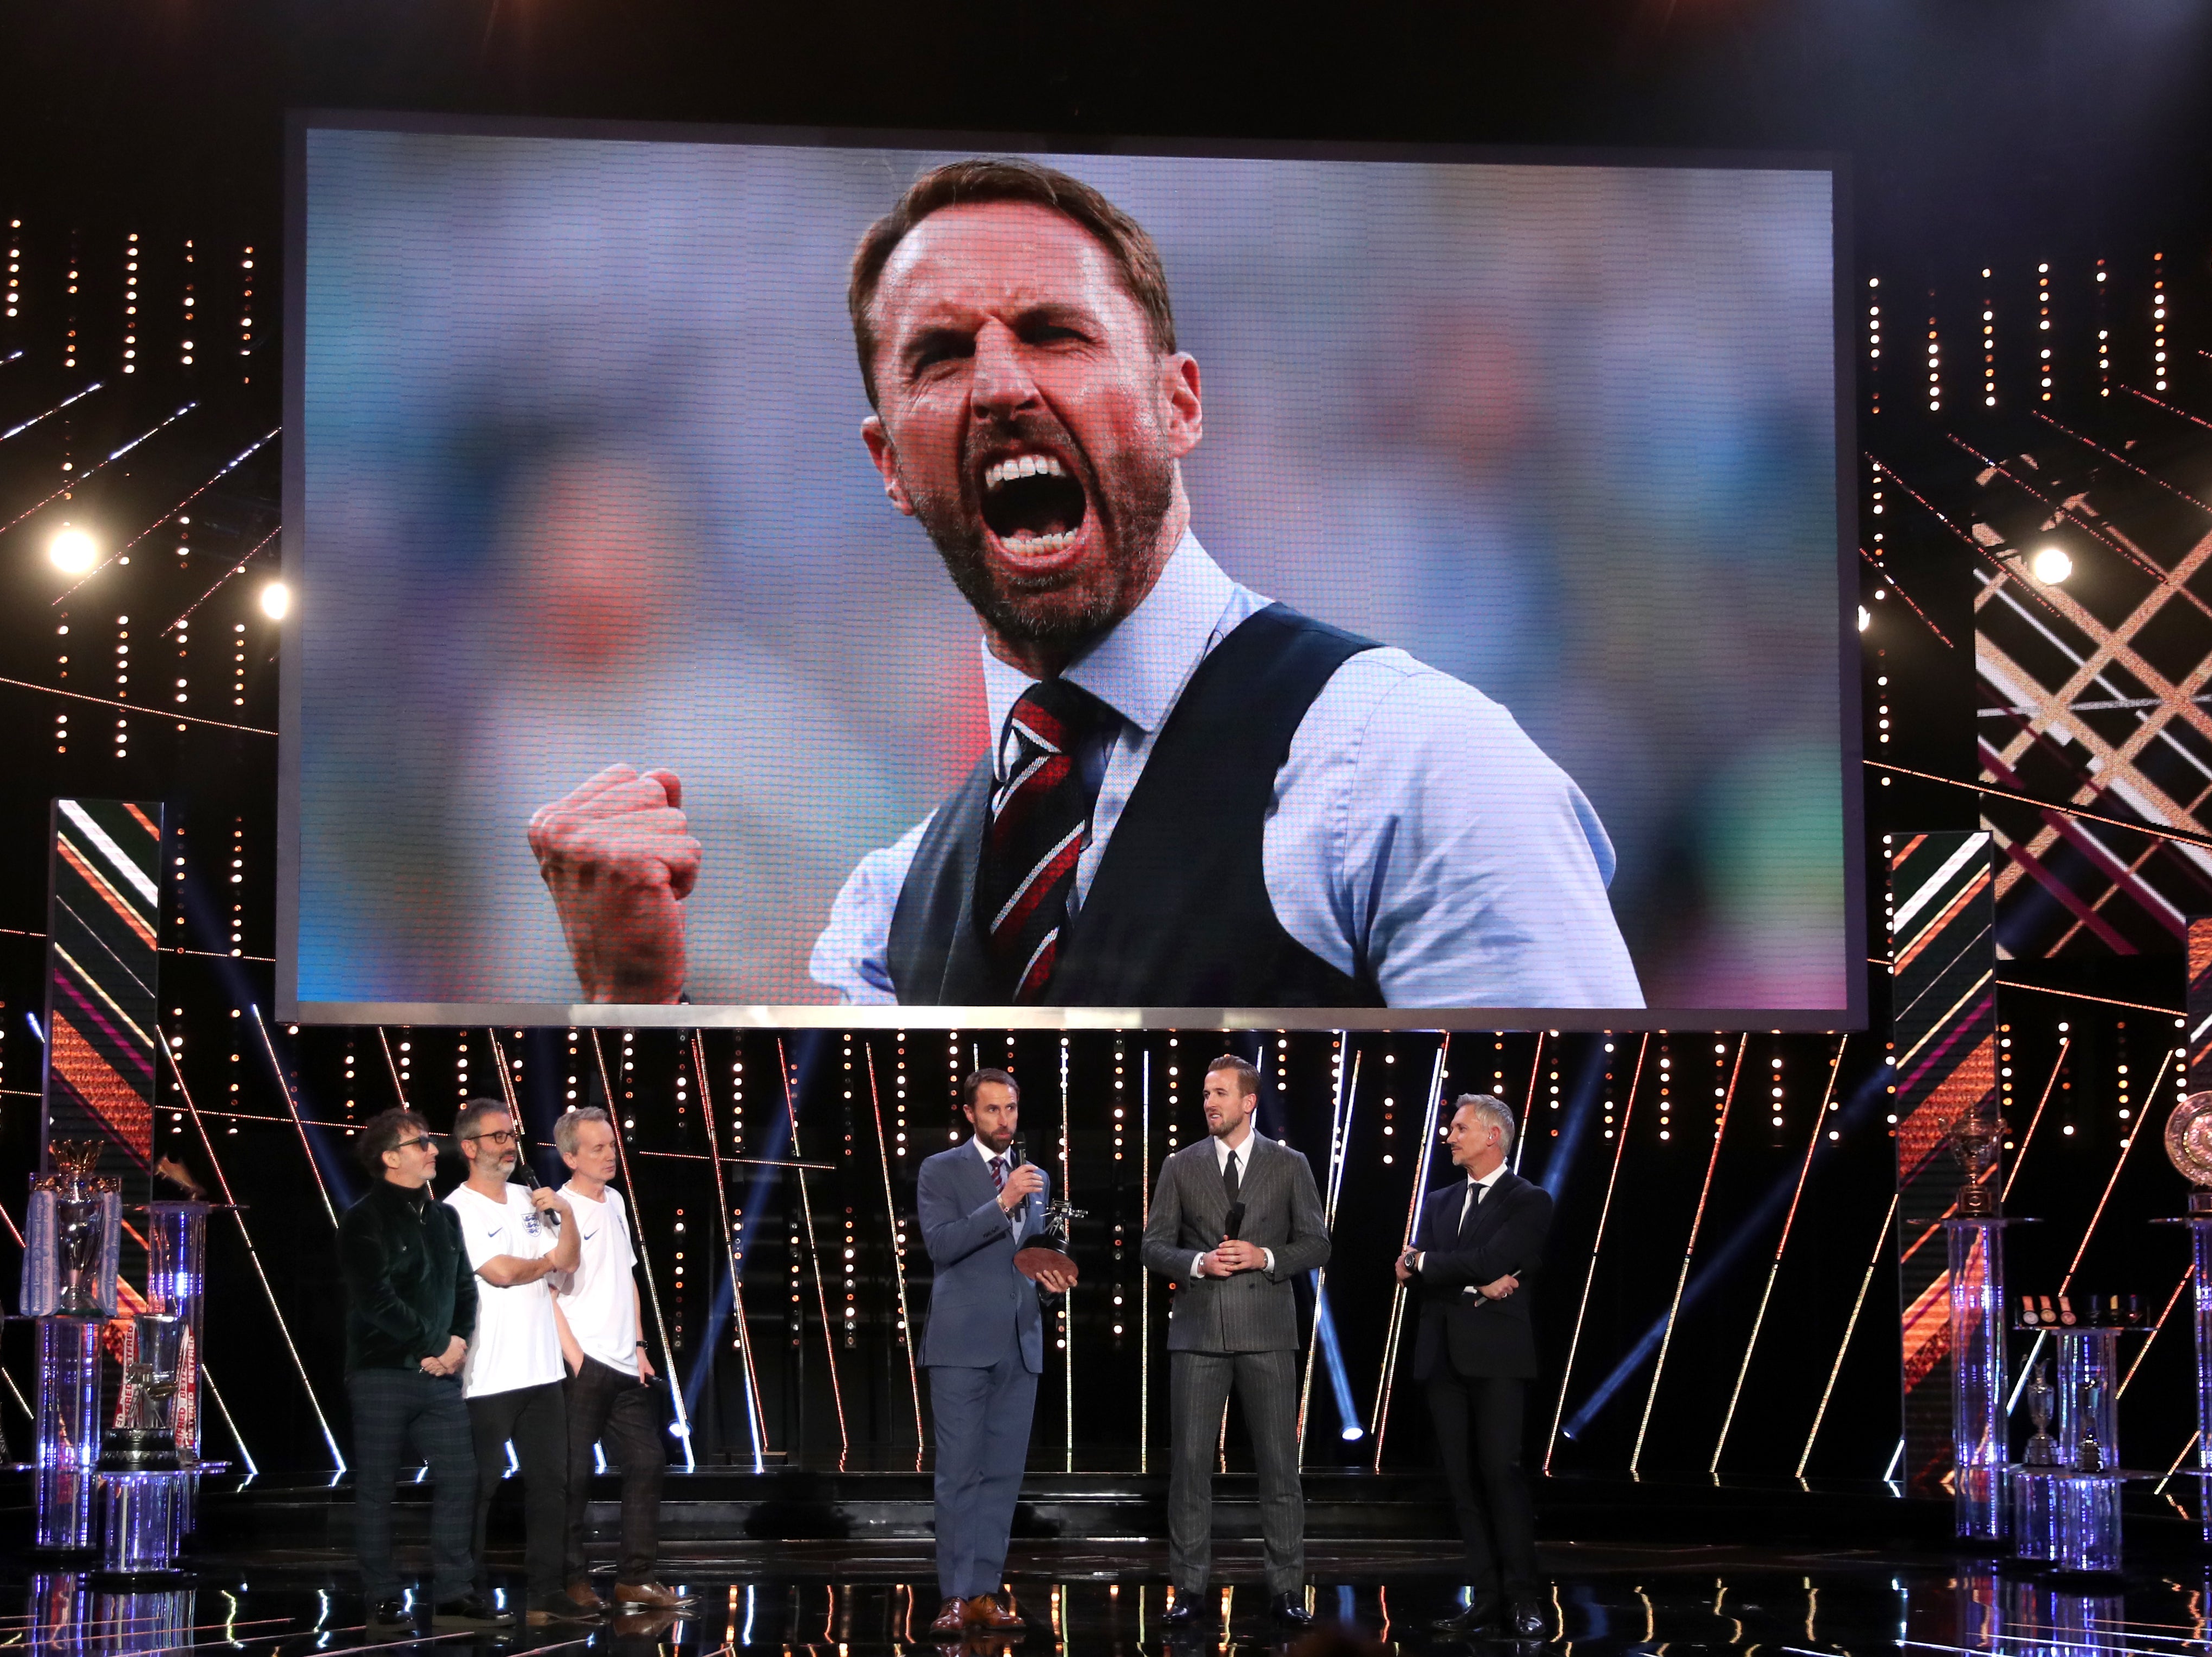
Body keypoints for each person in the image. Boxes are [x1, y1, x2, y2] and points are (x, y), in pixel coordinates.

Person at [525, 156, 1642, 1012]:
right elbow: (810, 1280)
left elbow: (1568, 1199)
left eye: (1058, 334)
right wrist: (634, 1000)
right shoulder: (886, 913)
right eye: (942, 355)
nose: (1003, 383)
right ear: (890, 467)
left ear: (1180, 406)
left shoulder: (1413, 770)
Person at [1141, 1055, 1328, 1627]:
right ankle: (1190, 1589)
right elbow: (1153, 1244)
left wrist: (1266, 1256)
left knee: (1278, 1467)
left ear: (1250, 1101)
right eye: (1205, 1092)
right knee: (1191, 1467)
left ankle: (1286, 1589)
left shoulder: (1289, 1164)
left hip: (1268, 1333)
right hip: (1197, 1334)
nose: (1209, 1102)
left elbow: (1317, 1243)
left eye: (1220, 1092)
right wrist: (1197, 1260)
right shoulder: (1181, 1165)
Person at [916, 1069, 1076, 1635]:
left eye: (1011, 1108)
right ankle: (954, 1595)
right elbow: (940, 1244)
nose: (1004, 1120)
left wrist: (1053, 1272)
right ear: (970, 1113)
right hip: (961, 1343)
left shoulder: (1041, 1177)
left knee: (1003, 1475)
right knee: (959, 1472)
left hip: (1021, 1339)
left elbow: (1047, 1244)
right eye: (992, 1110)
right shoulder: (941, 1169)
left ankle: (985, 1590)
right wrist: (1001, 1201)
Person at [338, 1108, 504, 1631]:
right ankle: (383, 1594)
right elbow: (375, 1299)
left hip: (440, 1375)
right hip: (382, 1372)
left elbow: (464, 1289)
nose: (435, 1150)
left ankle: (455, 1590)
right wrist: (434, 1342)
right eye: (422, 1143)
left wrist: (455, 1345)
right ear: (391, 1158)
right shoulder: (363, 1218)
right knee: (378, 1486)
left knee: (461, 1477)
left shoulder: (443, 1217)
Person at [1396, 1095, 1553, 1639]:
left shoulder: (1528, 1199)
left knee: (1501, 1474)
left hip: (1498, 1356)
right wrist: (1445, 1269)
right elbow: (1427, 1266)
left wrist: (1426, 1262)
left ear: (1492, 1136)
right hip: (1442, 1353)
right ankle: (1485, 1598)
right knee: (1461, 1483)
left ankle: (1526, 1598)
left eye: (1460, 1127)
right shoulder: (1440, 1199)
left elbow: (1484, 1260)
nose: (1450, 1135)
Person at [543, 1106, 689, 1615]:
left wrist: (642, 1346)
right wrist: (576, 1357)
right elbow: (547, 1291)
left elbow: (627, 1275)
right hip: (581, 1361)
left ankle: (635, 1579)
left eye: (611, 1145)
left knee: (647, 1462)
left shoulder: (616, 1202)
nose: (610, 1155)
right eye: (598, 1148)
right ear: (570, 1156)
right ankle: (570, 1579)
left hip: (625, 1362)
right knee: (574, 1475)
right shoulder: (556, 1208)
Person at [444, 1098, 584, 1628]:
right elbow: (499, 1271)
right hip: (488, 1373)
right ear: (470, 1147)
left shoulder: (532, 1197)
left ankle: (546, 1590)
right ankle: (467, 1590)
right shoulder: (459, 1207)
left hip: (541, 1371)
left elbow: (567, 1260)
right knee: (479, 1485)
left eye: (511, 1134)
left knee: (551, 1482)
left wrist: (565, 1217)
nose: (508, 1143)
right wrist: (546, 1261)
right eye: (497, 1135)